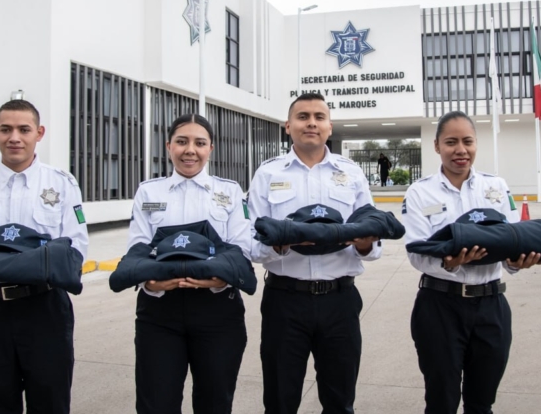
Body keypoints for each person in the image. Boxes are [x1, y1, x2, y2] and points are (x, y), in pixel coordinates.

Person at [0, 99, 88, 414]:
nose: (15, 137)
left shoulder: (61, 184)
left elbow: (76, 247)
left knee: (50, 404)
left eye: (24, 129)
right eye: (6, 129)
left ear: (39, 133)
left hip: (45, 309)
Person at [402, 110, 541, 414]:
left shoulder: (496, 187)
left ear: (476, 144)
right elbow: (416, 252)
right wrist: (449, 264)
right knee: (441, 400)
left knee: (482, 402)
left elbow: (511, 240)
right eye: (451, 142)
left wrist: (519, 261)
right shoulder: (419, 191)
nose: (460, 150)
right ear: (437, 146)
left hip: (491, 306)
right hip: (439, 306)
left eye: (467, 141)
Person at [248, 92, 380, 414]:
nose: (311, 123)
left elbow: (373, 244)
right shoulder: (268, 174)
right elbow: (251, 243)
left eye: (319, 117)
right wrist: (283, 243)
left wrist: (362, 242)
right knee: (280, 400)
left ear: (330, 127)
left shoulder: (351, 173)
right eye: (303, 117)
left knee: (339, 400)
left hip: (340, 300)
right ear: (287, 126)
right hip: (285, 301)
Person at [127, 113, 252, 414]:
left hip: (217, 310)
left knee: (214, 402)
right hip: (159, 311)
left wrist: (222, 278)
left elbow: (241, 247)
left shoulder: (230, 192)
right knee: (156, 403)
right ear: (168, 146)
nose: (190, 150)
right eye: (181, 142)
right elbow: (137, 246)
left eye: (199, 143)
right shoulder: (149, 192)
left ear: (211, 148)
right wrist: (150, 281)